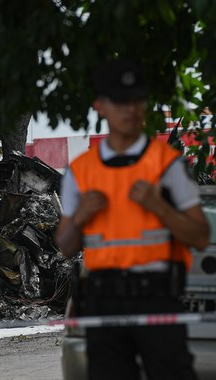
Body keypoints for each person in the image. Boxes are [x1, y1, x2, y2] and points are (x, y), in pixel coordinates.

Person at [55, 59, 210, 380]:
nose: (131, 109)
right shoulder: (81, 173)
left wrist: (160, 207)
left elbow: (200, 236)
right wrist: (81, 216)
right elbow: (66, 247)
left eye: (138, 100)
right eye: (121, 100)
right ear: (101, 106)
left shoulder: (168, 167)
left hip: (157, 298)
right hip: (103, 303)